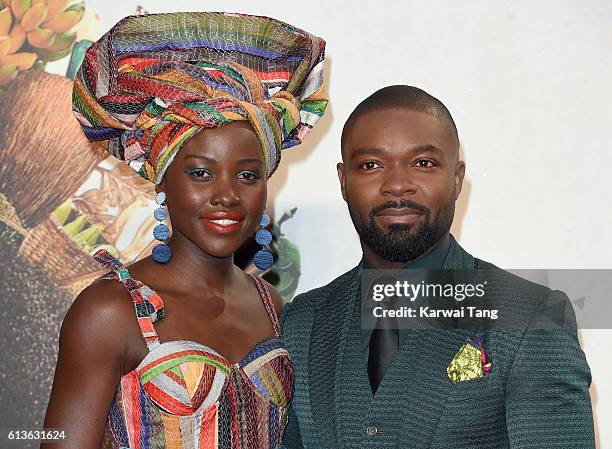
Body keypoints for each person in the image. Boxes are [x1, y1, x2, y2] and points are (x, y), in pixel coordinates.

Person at [43, 12, 327, 449]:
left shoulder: (268, 303)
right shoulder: (110, 312)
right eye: (200, 173)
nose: (227, 195)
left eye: (248, 176)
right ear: (162, 179)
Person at [281, 85, 595, 449]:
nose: (397, 184)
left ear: (457, 179)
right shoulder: (303, 322)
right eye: (371, 165)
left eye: (423, 163)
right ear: (343, 182)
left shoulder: (531, 318)